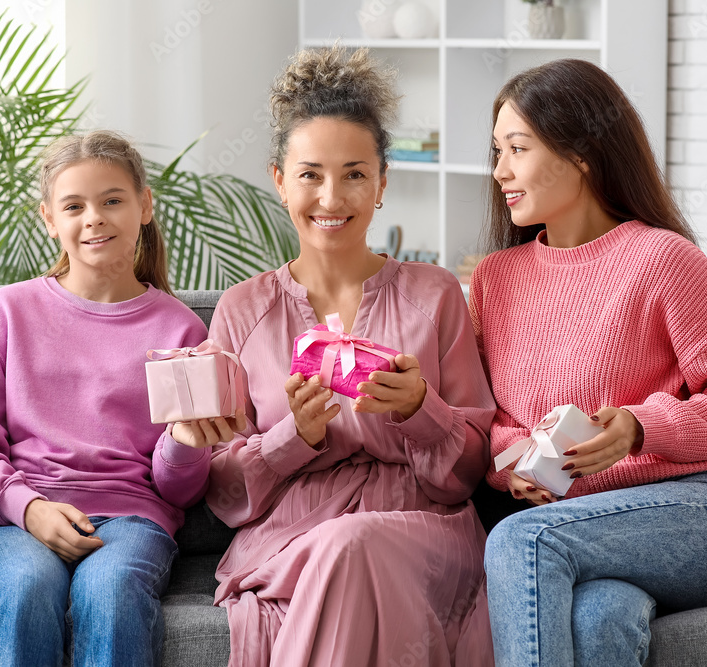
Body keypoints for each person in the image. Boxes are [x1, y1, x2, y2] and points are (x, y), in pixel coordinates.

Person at [470, 58, 707, 666]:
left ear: (581, 154)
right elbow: (488, 422)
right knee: (599, 619)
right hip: (581, 530)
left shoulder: (664, 260)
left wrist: (641, 427)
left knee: (520, 541)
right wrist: (513, 466)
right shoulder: (494, 281)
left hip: (699, 512)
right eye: (496, 151)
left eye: (517, 149)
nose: (500, 171)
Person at [204, 45, 496, 667]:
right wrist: (292, 435)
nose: (331, 197)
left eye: (355, 174)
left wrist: (421, 409)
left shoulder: (435, 293)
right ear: (280, 180)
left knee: (355, 544)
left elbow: (470, 470)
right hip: (291, 539)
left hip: (425, 530)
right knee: (347, 547)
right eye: (310, 173)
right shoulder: (241, 309)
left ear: (382, 184)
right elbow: (223, 490)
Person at [0, 130, 240, 667]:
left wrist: (184, 442)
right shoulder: (5, 313)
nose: (94, 218)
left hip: (134, 520)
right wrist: (29, 509)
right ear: (49, 219)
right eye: (74, 205)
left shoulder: (181, 330)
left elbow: (180, 492)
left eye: (112, 201)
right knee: (27, 588)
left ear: (144, 206)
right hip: (20, 516)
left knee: (109, 593)